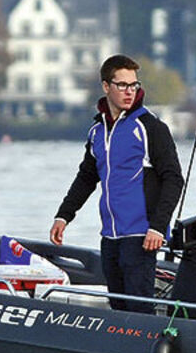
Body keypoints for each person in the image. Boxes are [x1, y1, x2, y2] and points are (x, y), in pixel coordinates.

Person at [50, 55, 185, 311]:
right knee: (118, 308)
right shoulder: (97, 131)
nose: (129, 91)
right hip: (110, 236)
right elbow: (87, 177)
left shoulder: (150, 127)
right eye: (122, 85)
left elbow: (174, 179)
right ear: (106, 86)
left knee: (138, 311)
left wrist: (157, 227)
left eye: (134, 85)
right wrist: (63, 216)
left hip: (141, 235)